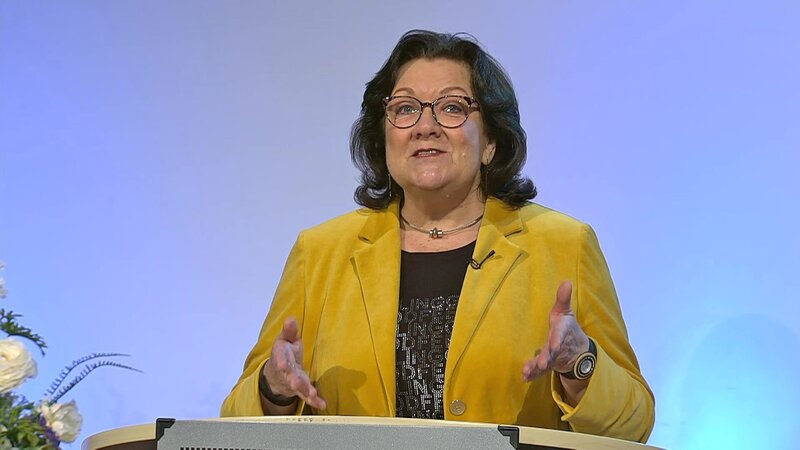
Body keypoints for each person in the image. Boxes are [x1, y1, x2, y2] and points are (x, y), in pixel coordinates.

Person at [221, 30, 655, 443]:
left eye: (451, 107)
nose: (425, 126)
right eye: (405, 108)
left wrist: (580, 363)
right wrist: (273, 387)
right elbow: (234, 425)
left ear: (490, 141)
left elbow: (633, 425)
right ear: (384, 137)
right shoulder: (319, 252)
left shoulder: (565, 244)